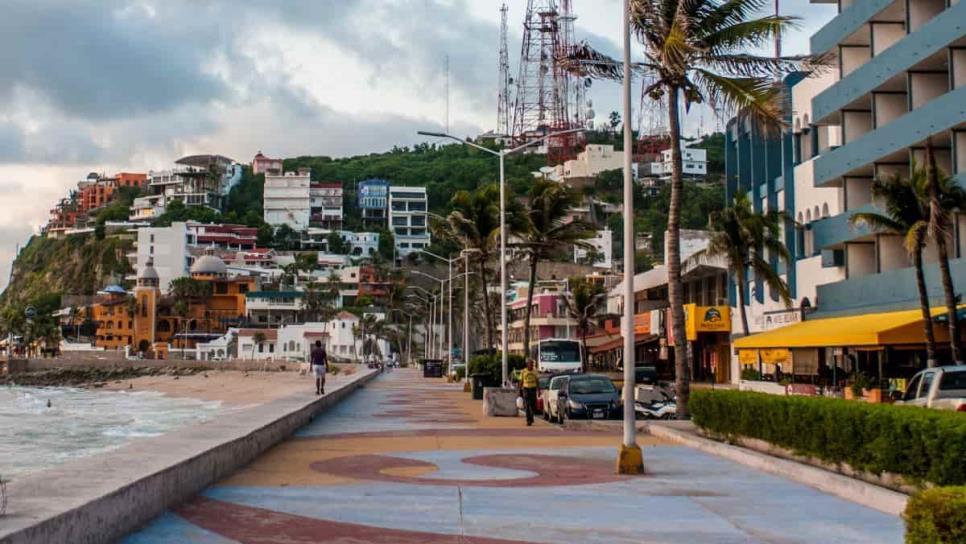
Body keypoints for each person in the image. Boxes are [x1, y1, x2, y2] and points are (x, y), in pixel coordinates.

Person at [519, 359, 540, 426]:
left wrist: (538, 390)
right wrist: (520, 390)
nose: (531, 365)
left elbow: (537, 381)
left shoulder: (535, 371)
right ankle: (528, 420)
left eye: (532, 364)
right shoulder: (523, 371)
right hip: (526, 389)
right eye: (530, 364)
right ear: (527, 364)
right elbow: (521, 381)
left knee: (533, 405)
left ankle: (531, 417)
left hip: (533, 389)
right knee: (527, 405)